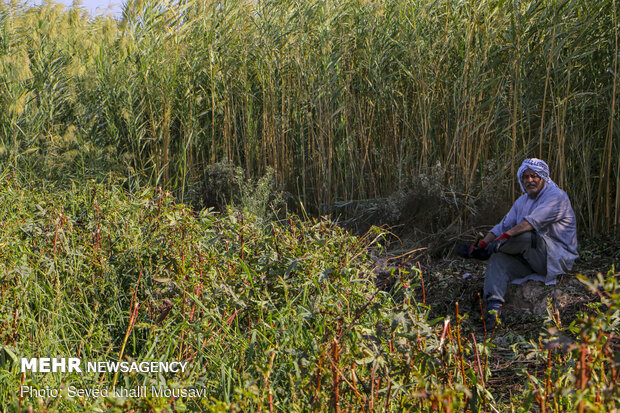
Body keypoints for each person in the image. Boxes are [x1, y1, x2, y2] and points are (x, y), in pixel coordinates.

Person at [471, 158, 578, 329]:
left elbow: (529, 224)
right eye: (526, 177)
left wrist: (498, 243)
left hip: (554, 259)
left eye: (534, 176)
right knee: (498, 258)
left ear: (543, 177)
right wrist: (482, 244)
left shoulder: (556, 197)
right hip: (531, 258)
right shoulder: (522, 201)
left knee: (527, 236)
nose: (530, 180)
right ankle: (493, 312)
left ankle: (494, 250)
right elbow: (502, 226)